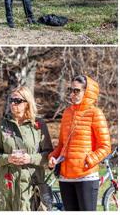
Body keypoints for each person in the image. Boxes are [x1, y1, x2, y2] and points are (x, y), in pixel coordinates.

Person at [48, 75, 111, 211]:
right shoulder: (67, 113)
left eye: (76, 91)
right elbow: (61, 145)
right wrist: (52, 157)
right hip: (65, 178)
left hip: (86, 177)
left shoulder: (95, 113)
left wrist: (88, 160)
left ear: (87, 92)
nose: (72, 94)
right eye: (71, 90)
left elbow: (105, 146)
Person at [0, 86, 53, 211]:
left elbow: (49, 154)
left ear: (27, 103)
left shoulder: (39, 125)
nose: (13, 103)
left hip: (32, 184)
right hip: (8, 186)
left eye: (17, 101)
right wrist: (8, 158)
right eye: (11, 100)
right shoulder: (3, 125)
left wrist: (30, 158)